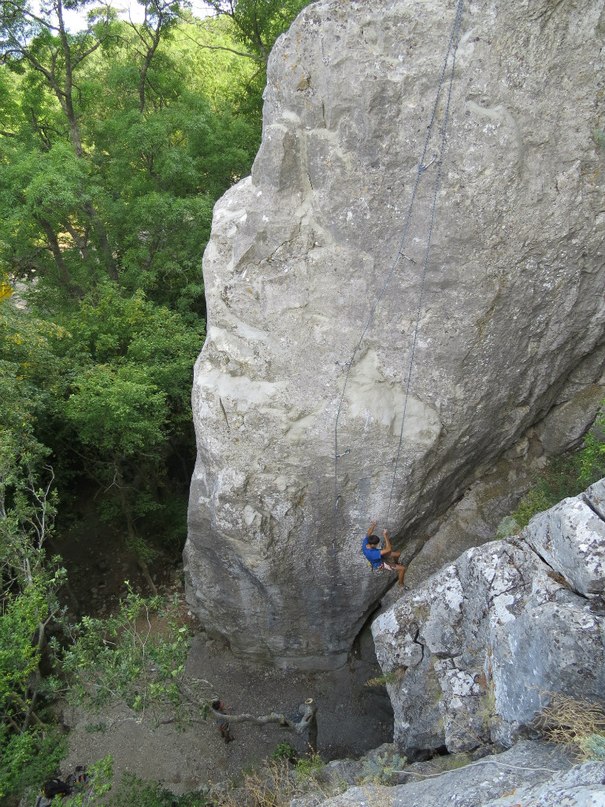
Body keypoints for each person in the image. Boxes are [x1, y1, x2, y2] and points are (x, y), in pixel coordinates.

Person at [362, 520, 406, 586]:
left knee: (398, 554)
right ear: (373, 545)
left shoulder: (366, 542)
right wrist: (385, 535)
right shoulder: (372, 553)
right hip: (380, 563)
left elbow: (368, 533)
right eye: (376, 544)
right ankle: (401, 584)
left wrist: (373, 525)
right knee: (402, 569)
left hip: (379, 555)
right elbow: (388, 549)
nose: (377, 545)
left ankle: (396, 562)